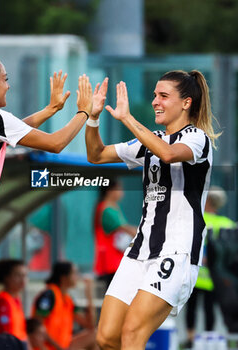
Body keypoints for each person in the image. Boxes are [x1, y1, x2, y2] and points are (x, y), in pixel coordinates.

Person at [0, 44, 92, 349]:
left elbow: (12, 132)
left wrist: (51, 110)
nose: (8, 85)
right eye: (5, 79)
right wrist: (84, 111)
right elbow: (55, 143)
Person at [85, 71, 218, 349]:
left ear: (186, 103)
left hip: (176, 252)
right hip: (139, 252)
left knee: (133, 333)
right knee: (107, 336)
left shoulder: (197, 138)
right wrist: (93, 117)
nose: (155, 101)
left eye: (163, 96)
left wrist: (127, 118)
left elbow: (169, 154)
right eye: (155, 95)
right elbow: (96, 155)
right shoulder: (150, 139)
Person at [184, 186, 236, 348]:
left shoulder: (197, 218)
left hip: (194, 273)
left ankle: (191, 339)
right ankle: (208, 340)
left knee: (191, 307)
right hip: (216, 276)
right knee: (210, 309)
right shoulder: (227, 223)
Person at [32, 261, 98, 350]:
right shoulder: (49, 295)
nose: (77, 277)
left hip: (64, 346)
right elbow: (36, 328)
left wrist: (89, 295)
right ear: (64, 277)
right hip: (49, 347)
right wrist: (58, 347)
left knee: (95, 335)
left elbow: (90, 325)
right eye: (74, 273)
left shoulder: (68, 299)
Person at [94, 179, 136, 290]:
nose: (122, 192)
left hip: (115, 260)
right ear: (110, 191)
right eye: (119, 189)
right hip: (110, 261)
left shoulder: (112, 207)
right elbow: (125, 228)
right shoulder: (106, 209)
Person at [0, 259, 29, 345]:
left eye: (25, 275)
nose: (23, 280)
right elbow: (5, 332)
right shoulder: (2, 301)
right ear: (6, 277)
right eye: (18, 275)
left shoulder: (16, 299)